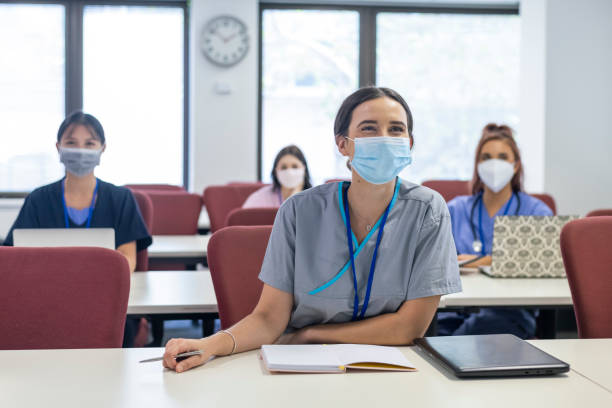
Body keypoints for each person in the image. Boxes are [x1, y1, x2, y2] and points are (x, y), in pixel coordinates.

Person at [163, 86, 462, 373]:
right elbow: (269, 318)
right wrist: (210, 344)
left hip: (392, 366)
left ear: (409, 143)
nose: (384, 138)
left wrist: (312, 335)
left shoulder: (428, 210)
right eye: (369, 128)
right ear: (343, 144)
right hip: (302, 365)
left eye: (396, 129)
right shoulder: (298, 211)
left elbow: (409, 327)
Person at [4, 111, 152, 346]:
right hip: (45, 300)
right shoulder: (39, 199)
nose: (80, 150)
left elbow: (127, 260)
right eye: (71, 143)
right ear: (58, 147)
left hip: (104, 299)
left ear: (102, 148)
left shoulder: (121, 198)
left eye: (89, 143)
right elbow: (15, 258)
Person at [438, 123, 553, 338]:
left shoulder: (536, 212)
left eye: (502, 157)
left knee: (480, 330)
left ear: (516, 165)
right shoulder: (455, 209)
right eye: (486, 157)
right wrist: (494, 260)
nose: (494, 164)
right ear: (477, 165)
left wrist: (476, 261)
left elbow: (538, 264)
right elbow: (436, 261)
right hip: (454, 308)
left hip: (508, 312)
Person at [242, 145, 312, 208]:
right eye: (284, 167)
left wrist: (296, 195)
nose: (289, 172)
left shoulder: (314, 198)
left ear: (304, 169)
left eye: (295, 166)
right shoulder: (260, 198)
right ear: (276, 171)